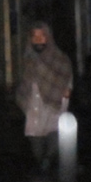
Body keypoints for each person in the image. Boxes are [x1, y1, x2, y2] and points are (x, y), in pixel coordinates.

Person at [15, 22, 73, 170]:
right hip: (34, 108)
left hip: (53, 106)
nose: (38, 40)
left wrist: (64, 95)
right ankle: (41, 170)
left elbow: (66, 80)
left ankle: (48, 168)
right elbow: (24, 82)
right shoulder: (27, 58)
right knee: (36, 150)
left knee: (52, 143)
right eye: (35, 36)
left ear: (48, 37)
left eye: (42, 36)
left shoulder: (60, 58)